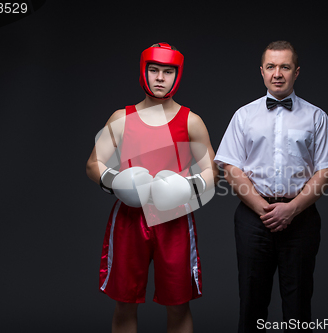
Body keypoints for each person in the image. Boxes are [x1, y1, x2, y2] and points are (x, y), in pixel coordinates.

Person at [86, 42, 218, 333]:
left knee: (179, 303)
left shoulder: (191, 121)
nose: (160, 77)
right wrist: (117, 181)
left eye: (167, 72)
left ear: (177, 75)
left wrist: (188, 185)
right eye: (154, 70)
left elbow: (212, 170)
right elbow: (93, 163)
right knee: (124, 302)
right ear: (143, 73)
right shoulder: (122, 118)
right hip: (130, 219)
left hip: (175, 219)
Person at [214, 40, 328, 332]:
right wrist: (264, 209)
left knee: (298, 306)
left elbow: (326, 171)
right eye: (271, 66)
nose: (278, 73)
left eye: (284, 66)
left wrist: (291, 209)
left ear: (296, 72)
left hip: (300, 219)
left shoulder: (316, 117)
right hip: (253, 218)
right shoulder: (243, 116)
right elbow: (230, 168)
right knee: (251, 302)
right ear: (261, 71)